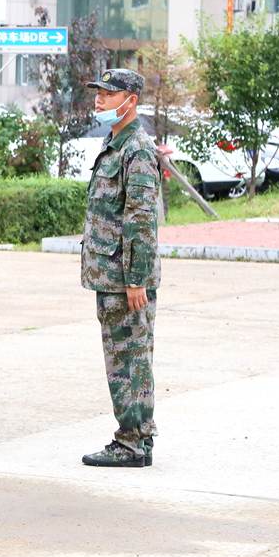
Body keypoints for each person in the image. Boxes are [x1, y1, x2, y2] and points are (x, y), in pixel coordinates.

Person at [79, 69, 160, 468]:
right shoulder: (115, 144)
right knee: (124, 360)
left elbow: (140, 221)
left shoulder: (136, 149)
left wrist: (136, 279)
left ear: (130, 100)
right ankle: (135, 438)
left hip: (125, 280)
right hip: (110, 277)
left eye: (108, 94)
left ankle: (132, 442)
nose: (100, 100)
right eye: (98, 93)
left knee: (130, 361)